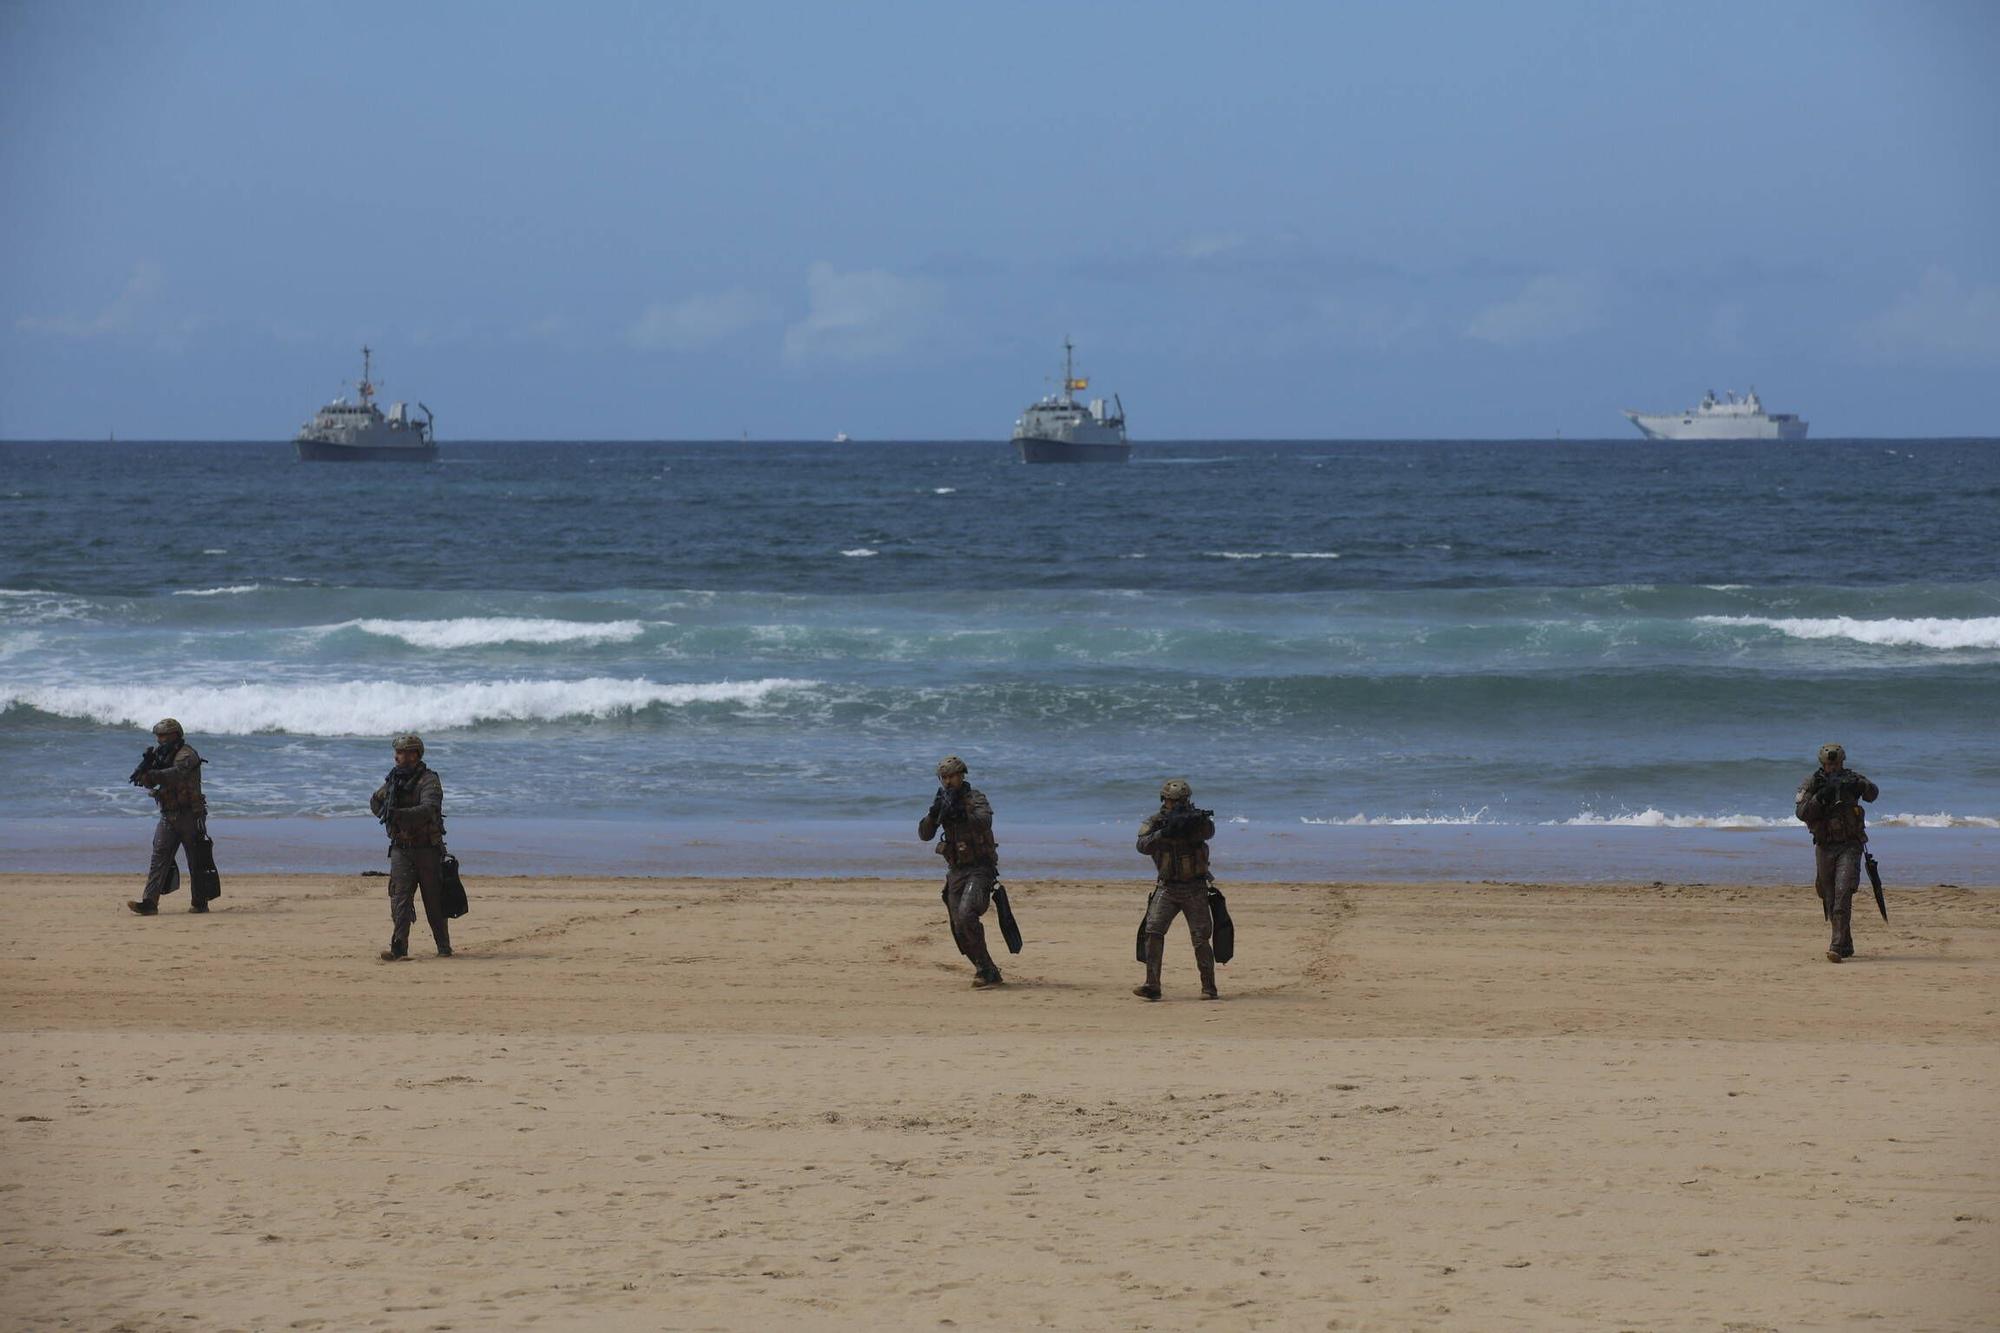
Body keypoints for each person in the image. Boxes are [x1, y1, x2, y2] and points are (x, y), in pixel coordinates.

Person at [919, 755, 1004, 989]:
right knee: (958, 926)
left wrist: (961, 812)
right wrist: (934, 813)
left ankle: (986, 971)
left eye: (951, 777)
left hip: (980, 868)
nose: (947, 782)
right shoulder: (943, 801)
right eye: (943, 778)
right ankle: (986, 968)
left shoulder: (975, 798)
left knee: (967, 915)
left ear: (961, 775)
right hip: (956, 870)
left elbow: (984, 821)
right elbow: (924, 834)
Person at [126, 717, 222, 915]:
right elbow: (152, 782)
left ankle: (199, 902)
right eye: (158, 736)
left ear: (175, 735)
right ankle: (149, 903)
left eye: (163, 736)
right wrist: (145, 775)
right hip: (168, 815)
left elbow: (176, 774)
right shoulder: (161, 756)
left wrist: (153, 773)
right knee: (158, 857)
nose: (160, 740)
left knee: (196, 861)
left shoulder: (187, 755)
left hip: (190, 816)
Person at [1794, 742, 1879, 963]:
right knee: (1830, 897)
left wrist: (1860, 785)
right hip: (1824, 846)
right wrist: (1821, 797)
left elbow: (1873, 794)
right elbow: (1801, 813)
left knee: (1843, 893)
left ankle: (1836, 946)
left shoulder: (1852, 778)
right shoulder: (1812, 783)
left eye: (1837, 764)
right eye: (1829, 765)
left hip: (1850, 845)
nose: (1833, 768)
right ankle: (1846, 943)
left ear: (1842, 762)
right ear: (1823, 764)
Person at [369, 733, 451, 961]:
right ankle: (399, 948)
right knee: (400, 900)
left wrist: (397, 815)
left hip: (427, 851)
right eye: (397, 752)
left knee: (434, 903)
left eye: (402, 753)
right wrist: (387, 815)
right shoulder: (394, 780)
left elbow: (428, 809)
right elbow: (375, 801)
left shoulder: (429, 780)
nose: (397, 757)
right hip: (401, 850)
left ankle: (443, 947)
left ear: (414, 755)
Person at [1135, 778, 1219, 1000]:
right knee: (1153, 932)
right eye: (1174, 801)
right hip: (1168, 888)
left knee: (1201, 938)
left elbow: (1209, 832)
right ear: (1165, 800)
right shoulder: (1156, 821)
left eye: (1181, 800)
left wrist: (1191, 826)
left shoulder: (1195, 820)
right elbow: (1142, 846)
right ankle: (1152, 985)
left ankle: (1209, 987)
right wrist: (1164, 833)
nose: (1178, 804)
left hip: (1195, 887)